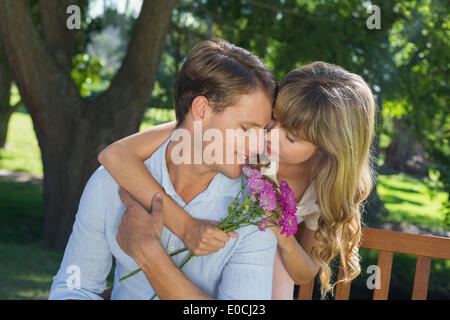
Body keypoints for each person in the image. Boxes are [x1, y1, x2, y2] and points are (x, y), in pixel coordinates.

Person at [99, 61, 377, 299]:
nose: (270, 136)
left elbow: (305, 273)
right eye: (274, 118)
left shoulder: (320, 188)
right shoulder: (236, 133)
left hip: (251, 277)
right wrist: (186, 227)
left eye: (291, 137)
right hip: (194, 251)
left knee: (276, 261)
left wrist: (286, 239)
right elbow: (115, 155)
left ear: (327, 148)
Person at [48, 38, 279, 300]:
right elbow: (75, 287)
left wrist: (149, 254)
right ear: (202, 110)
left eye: (262, 131)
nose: (259, 145)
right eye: (247, 129)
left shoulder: (254, 215)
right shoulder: (110, 184)